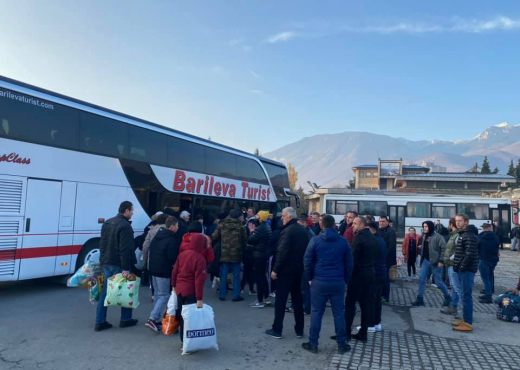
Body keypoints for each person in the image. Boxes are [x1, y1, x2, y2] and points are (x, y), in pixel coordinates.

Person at [302, 215, 353, 354]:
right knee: (339, 313)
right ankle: (342, 344)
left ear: (322, 225)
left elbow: (307, 260)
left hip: (319, 281)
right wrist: (346, 279)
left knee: (317, 313)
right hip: (337, 281)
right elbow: (349, 262)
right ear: (333, 225)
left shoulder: (315, 240)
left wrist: (310, 277)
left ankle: (313, 343)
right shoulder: (343, 241)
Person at [265, 207, 308, 339]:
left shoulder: (287, 231)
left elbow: (282, 252)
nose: (282, 218)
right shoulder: (302, 230)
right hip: (298, 269)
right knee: (297, 300)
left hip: (285, 271)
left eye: (283, 216)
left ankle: (277, 329)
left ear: (289, 217)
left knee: (281, 301)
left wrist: (275, 270)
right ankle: (299, 330)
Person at [95, 201, 138, 331]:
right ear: (126, 211)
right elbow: (125, 249)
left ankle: (100, 320)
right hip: (119, 263)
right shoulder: (125, 226)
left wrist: (102, 260)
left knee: (105, 292)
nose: (132, 213)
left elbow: (102, 243)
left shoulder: (107, 222)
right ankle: (125, 319)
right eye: (131, 210)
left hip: (107, 262)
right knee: (126, 290)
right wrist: (125, 267)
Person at [343, 216, 378, 343]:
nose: (353, 225)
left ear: (362, 225)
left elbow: (353, 257)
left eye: (355, 223)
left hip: (358, 274)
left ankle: (346, 332)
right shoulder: (373, 238)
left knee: (350, 303)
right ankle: (363, 333)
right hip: (370, 273)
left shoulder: (359, 237)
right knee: (366, 304)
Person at [171, 233, 208, 344]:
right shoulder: (200, 258)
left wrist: (173, 286)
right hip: (190, 291)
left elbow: (175, 271)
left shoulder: (182, 254)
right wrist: (199, 298)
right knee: (189, 319)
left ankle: (183, 340)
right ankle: (187, 342)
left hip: (180, 290)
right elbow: (198, 280)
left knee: (182, 316)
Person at [145, 216, 180, 332]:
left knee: (158, 295)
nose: (178, 228)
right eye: (177, 226)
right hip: (163, 270)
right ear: (172, 226)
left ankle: (155, 319)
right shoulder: (171, 239)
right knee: (164, 295)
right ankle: (152, 318)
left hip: (153, 269)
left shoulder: (157, 236)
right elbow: (172, 257)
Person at [412, 221, 451, 307]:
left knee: (438, 282)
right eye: (423, 226)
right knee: (422, 279)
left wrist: (441, 261)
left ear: (430, 227)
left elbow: (444, 249)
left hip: (435, 262)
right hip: (426, 261)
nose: (424, 228)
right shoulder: (424, 236)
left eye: (426, 226)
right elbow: (429, 247)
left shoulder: (438, 237)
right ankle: (420, 298)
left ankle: (447, 296)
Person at [212, 209, 247, 302]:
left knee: (223, 274)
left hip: (224, 253)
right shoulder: (241, 226)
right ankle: (236, 295)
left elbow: (214, 237)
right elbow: (245, 240)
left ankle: (222, 294)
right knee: (236, 275)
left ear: (229, 215)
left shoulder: (222, 225)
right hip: (236, 254)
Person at [452, 214, 479, 332]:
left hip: (467, 270)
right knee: (464, 295)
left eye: (460, 221)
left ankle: (468, 323)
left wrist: (461, 266)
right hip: (463, 269)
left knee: (466, 296)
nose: (457, 223)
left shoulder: (468, 235)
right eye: (456, 221)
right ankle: (465, 319)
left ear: (466, 222)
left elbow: (469, 253)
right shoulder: (463, 234)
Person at [248, 211, 273, 308]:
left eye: (257, 215)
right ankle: (266, 298)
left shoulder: (259, 229)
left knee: (259, 278)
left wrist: (251, 232)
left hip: (259, 255)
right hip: (264, 254)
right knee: (263, 277)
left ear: (261, 218)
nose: (256, 216)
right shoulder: (267, 227)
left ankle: (259, 300)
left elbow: (251, 240)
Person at [367, 221, 387, 333]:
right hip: (381, 272)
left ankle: (370, 324)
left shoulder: (374, 240)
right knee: (377, 299)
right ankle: (377, 322)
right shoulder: (381, 240)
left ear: (372, 229)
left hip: (375, 273)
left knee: (370, 298)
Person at [441, 218, 461, 316]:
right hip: (450, 264)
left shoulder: (457, 236)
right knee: (453, 286)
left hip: (453, 264)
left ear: (451, 225)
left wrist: (451, 258)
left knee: (456, 287)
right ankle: (453, 305)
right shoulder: (453, 235)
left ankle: (454, 306)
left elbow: (459, 250)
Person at [297, 216, 316, 315]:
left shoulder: (309, 234)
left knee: (305, 287)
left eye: (299, 224)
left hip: (307, 263)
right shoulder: (307, 232)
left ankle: (306, 307)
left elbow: (309, 251)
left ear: (304, 224)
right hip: (304, 262)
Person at [478, 223, 500, 304]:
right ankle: (489, 292)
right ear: (490, 228)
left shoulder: (480, 236)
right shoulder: (495, 237)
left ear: (483, 228)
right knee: (490, 277)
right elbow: (497, 247)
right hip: (493, 259)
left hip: (483, 259)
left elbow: (477, 247)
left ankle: (488, 297)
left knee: (485, 279)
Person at [379, 216, 396, 304]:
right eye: (380, 221)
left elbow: (391, 246)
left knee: (385, 279)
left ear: (387, 222)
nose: (381, 223)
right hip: (381, 258)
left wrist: (384, 255)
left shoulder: (391, 231)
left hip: (386, 259)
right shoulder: (380, 230)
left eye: (383, 221)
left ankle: (385, 297)